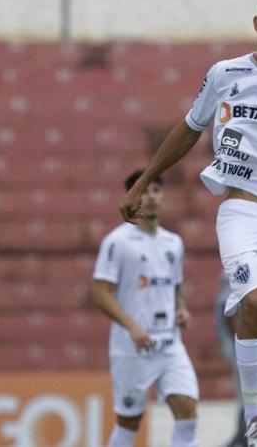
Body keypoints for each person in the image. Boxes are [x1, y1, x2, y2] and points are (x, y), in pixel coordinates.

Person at [119, 0, 257, 447]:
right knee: (253, 303)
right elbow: (189, 128)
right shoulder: (225, 74)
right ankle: (255, 415)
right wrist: (144, 181)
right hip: (241, 210)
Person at [92, 170, 199, 447]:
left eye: (156, 190)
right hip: (132, 348)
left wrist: (181, 309)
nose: (151, 197)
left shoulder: (173, 243)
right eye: (145, 191)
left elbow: (174, 286)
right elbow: (100, 293)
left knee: (187, 413)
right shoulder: (118, 242)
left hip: (169, 344)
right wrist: (132, 326)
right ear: (133, 197)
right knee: (129, 424)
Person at [214, 270, 257, 447]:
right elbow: (228, 311)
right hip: (243, 348)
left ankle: (240, 441)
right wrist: (246, 343)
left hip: (255, 346)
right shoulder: (235, 270)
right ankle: (240, 442)